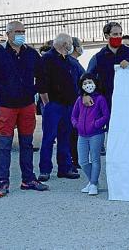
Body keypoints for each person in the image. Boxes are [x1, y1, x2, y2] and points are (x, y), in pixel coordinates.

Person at [0, 21, 49, 197]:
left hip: (27, 105)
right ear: (8, 34)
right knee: (4, 145)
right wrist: (4, 89)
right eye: (17, 31)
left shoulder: (31, 53)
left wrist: (35, 90)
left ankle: (28, 179)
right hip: (6, 106)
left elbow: (42, 75)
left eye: (23, 31)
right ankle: (2, 182)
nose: (20, 34)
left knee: (27, 144)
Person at [36, 33, 83, 182]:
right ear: (64, 44)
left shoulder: (68, 60)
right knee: (49, 138)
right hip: (54, 105)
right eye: (70, 43)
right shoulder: (47, 59)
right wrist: (47, 104)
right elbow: (41, 83)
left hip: (68, 105)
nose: (72, 46)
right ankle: (45, 170)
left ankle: (64, 167)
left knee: (65, 137)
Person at [87, 22, 129, 111]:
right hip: (108, 102)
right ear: (106, 36)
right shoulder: (98, 58)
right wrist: (86, 95)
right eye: (115, 34)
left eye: (120, 34)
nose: (119, 37)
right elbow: (88, 78)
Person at [71, 73, 110, 196]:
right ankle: (93, 181)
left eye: (90, 82)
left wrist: (95, 124)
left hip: (96, 134)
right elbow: (73, 115)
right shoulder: (79, 99)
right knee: (82, 161)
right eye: (85, 83)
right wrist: (76, 124)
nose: (88, 85)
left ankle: (93, 184)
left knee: (95, 159)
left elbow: (106, 116)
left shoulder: (100, 99)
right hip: (82, 135)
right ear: (81, 85)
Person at [69, 37, 86, 170]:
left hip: (75, 102)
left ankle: (75, 160)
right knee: (73, 134)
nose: (81, 48)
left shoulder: (74, 62)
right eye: (80, 45)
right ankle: (74, 160)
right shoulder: (73, 63)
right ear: (75, 47)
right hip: (75, 103)